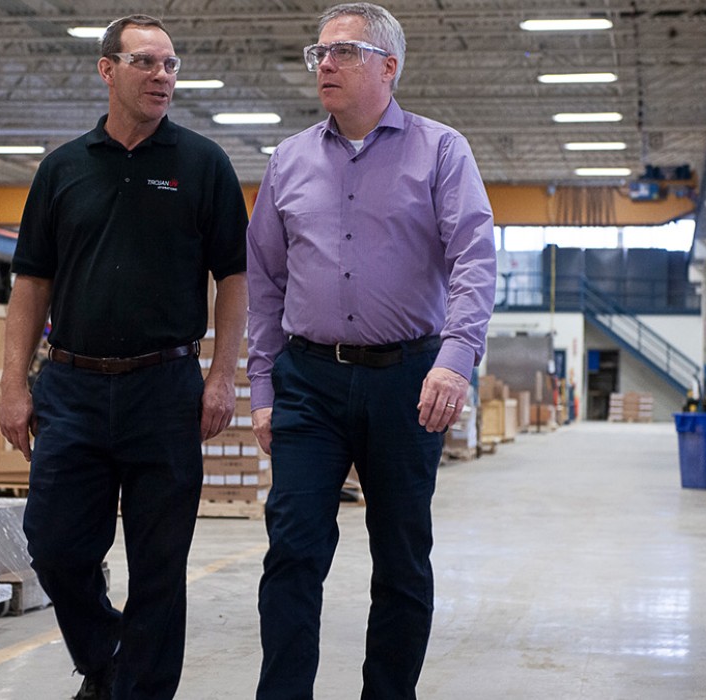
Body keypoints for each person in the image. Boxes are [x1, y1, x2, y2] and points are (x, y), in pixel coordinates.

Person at [245, 3, 497, 698]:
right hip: (308, 383)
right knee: (293, 551)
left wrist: (455, 357)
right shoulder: (290, 160)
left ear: (389, 66)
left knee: (402, 557)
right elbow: (265, 278)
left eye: (344, 52)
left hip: (408, 380)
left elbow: (475, 258)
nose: (324, 63)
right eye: (319, 53)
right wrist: (262, 390)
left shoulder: (441, 151)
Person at [0, 14, 248, 700]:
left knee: (161, 566)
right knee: (54, 545)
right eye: (146, 63)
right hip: (72, 387)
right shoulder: (62, 169)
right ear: (107, 70)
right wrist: (12, 385)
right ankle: (107, 656)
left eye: (171, 64)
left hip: (165, 387)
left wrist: (223, 376)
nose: (163, 76)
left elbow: (235, 277)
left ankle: (138, 692)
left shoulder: (203, 165)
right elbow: (31, 283)